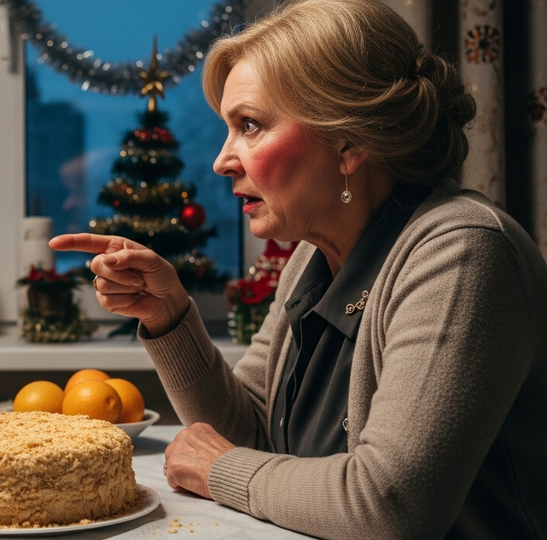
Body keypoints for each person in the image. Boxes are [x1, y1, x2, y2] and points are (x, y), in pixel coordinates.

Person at [51, 1, 547, 538]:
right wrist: (168, 315)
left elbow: (390, 504)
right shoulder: (312, 258)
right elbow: (251, 434)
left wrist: (221, 471)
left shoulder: (464, 253)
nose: (222, 160)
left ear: (349, 142)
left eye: (250, 125)